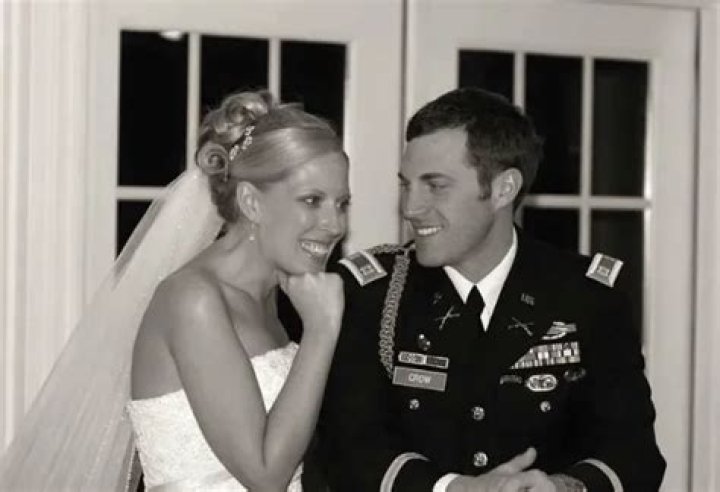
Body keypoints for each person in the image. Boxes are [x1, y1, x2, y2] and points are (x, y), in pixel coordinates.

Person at [316, 87, 665, 492]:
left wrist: (563, 487)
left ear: (503, 189)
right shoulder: (373, 294)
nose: (411, 208)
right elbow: (349, 448)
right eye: (406, 185)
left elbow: (634, 453)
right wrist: (453, 489)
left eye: (435, 186)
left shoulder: (587, 296)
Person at [0, 90, 349, 491]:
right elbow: (265, 475)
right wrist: (321, 332)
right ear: (251, 202)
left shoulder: (269, 296)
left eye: (342, 203)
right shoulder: (195, 300)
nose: (335, 224)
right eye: (312, 200)